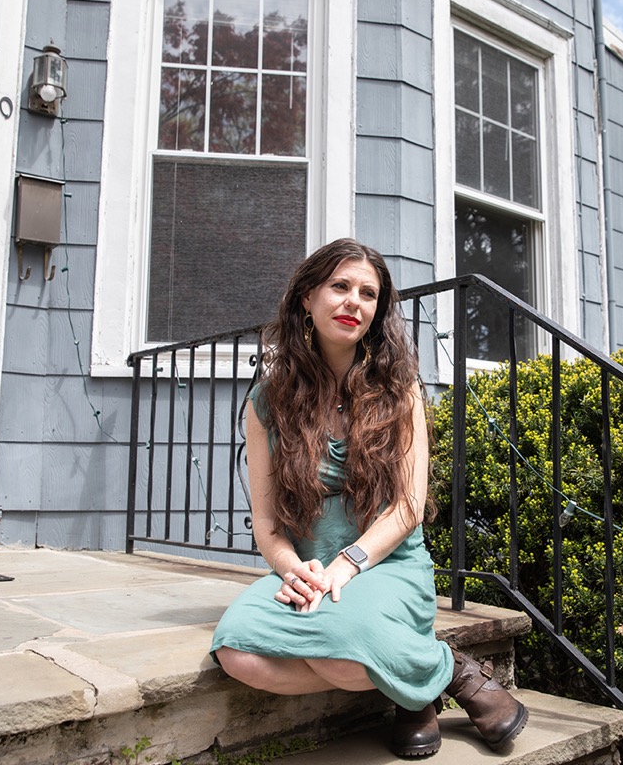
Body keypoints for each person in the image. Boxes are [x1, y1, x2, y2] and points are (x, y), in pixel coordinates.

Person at [210, 238, 528, 757]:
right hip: (307, 575)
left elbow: (408, 506)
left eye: (367, 293)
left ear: (377, 312)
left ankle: (431, 674)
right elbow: (266, 523)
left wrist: (348, 563)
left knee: (343, 659)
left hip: (385, 567)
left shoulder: (399, 390)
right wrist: (294, 569)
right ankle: (418, 671)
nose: (353, 301)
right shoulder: (266, 402)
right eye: (339, 286)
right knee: (238, 653)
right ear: (307, 299)